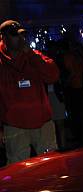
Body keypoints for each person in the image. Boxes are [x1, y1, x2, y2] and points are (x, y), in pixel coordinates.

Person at [0, 20, 60, 165]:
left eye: (22, 35)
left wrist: (32, 55)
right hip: (14, 125)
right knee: (18, 169)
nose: (20, 39)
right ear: (3, 37)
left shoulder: (33, 55)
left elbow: (53, 76)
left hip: (42, 122)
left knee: (50, 164)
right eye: (15, 35)